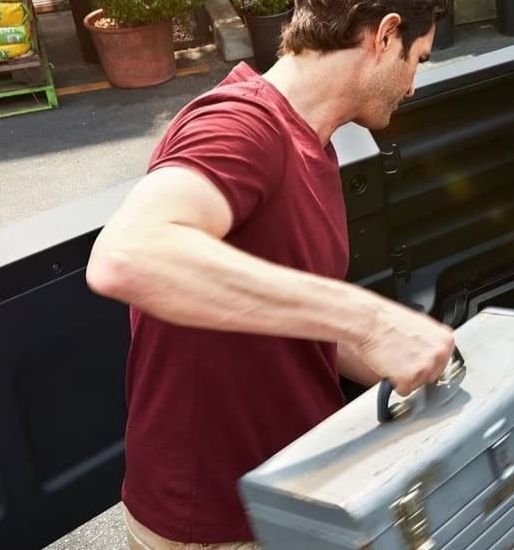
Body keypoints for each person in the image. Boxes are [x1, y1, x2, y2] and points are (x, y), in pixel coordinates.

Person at [84, 0, 456, 546]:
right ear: (385, 35)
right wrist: (367, 321)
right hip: (214, 524)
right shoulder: (241, 125)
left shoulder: (316, 142)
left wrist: (401, 354)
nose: (414, 85)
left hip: (291, 494)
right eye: (418, 60)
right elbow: (128, 254)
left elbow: (288, 319)